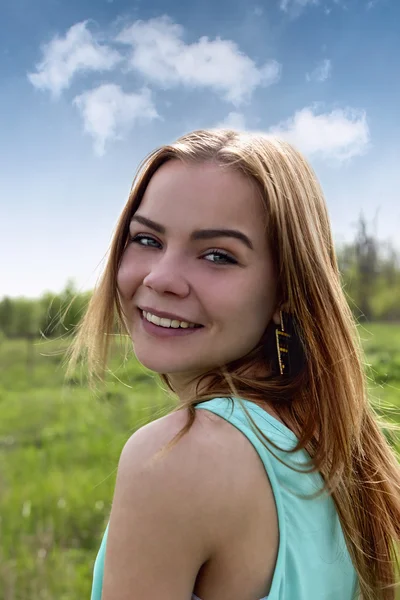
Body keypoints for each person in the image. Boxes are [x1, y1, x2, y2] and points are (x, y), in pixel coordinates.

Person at [66, 129, 400, 600]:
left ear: (286, 290)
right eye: (146, 238)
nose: (162, 278)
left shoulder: (174, 459)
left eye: (218, 255)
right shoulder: (326, 442)